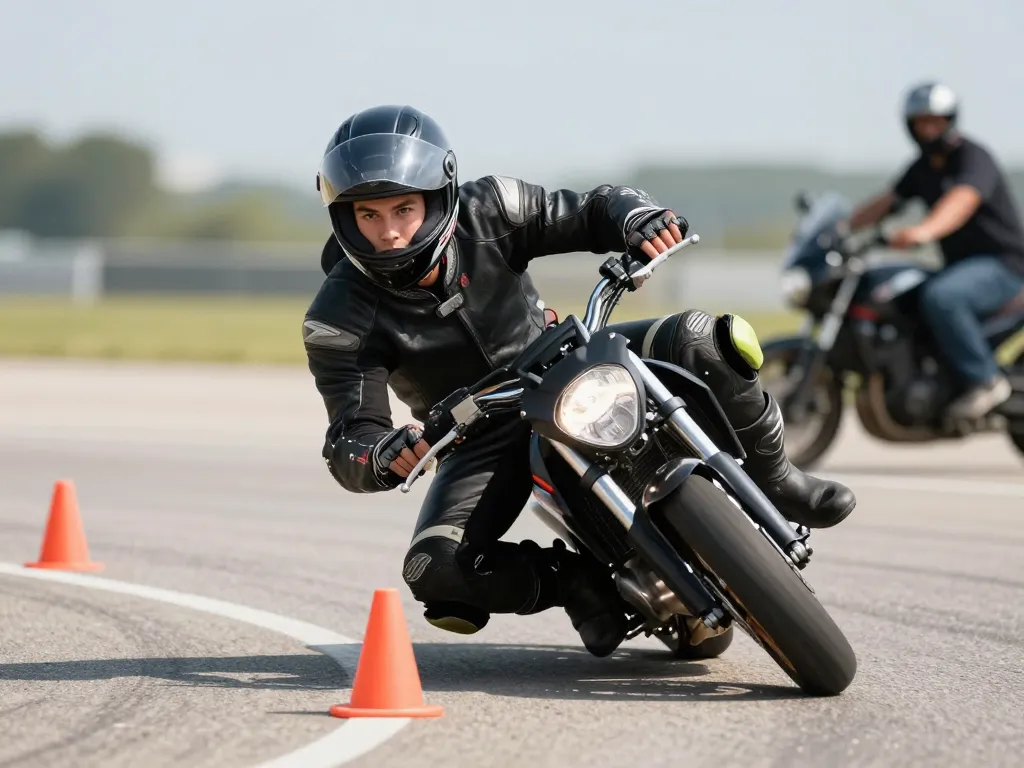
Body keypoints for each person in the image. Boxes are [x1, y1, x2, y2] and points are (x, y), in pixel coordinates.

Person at [303, 104, 856, 658]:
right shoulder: (337, 317)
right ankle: (575, 583)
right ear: (342, 217)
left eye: (404, 208)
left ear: (439, 197)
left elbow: (591, 209)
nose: (392, 233)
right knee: (434, 568)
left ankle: (779, 480)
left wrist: (637, 219)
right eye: (368, 216)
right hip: (478, 430)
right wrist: (380, 454)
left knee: (704, 336)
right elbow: (350, 434)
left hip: (568, 357)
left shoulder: (491, 207)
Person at [842, 81, 1024, 420]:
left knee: (943, 297)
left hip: (1004, 266)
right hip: (961, 267)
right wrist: (841, 228)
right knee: (910, 292)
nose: (928, 128)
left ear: (950, 120)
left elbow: (962, 201)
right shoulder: (923, 166)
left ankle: (985, 380)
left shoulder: (972, 157)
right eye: (920, 122)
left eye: (935, 121)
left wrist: (923, 230)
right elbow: (887, 201)